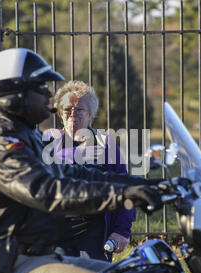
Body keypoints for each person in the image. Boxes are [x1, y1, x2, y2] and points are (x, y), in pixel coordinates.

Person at [0, 48, 164, 273]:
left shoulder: (25, 135)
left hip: (29, 257)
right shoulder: (3, 144)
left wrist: (140, 185)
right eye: (40, 87)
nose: (49, 94)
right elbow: (48, 191)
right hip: (1, 266)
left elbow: (71, 173)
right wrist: (124, 193)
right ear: (14, 95)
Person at [42, 80, 135, 262]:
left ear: (90, 113)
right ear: (60, 113)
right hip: (55, 231)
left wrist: (121, 231)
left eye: (79, 109)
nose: (72, 114)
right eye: (67, 109)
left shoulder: (105, 144)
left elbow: (124, 188)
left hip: (94, 230)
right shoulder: (47, 142)